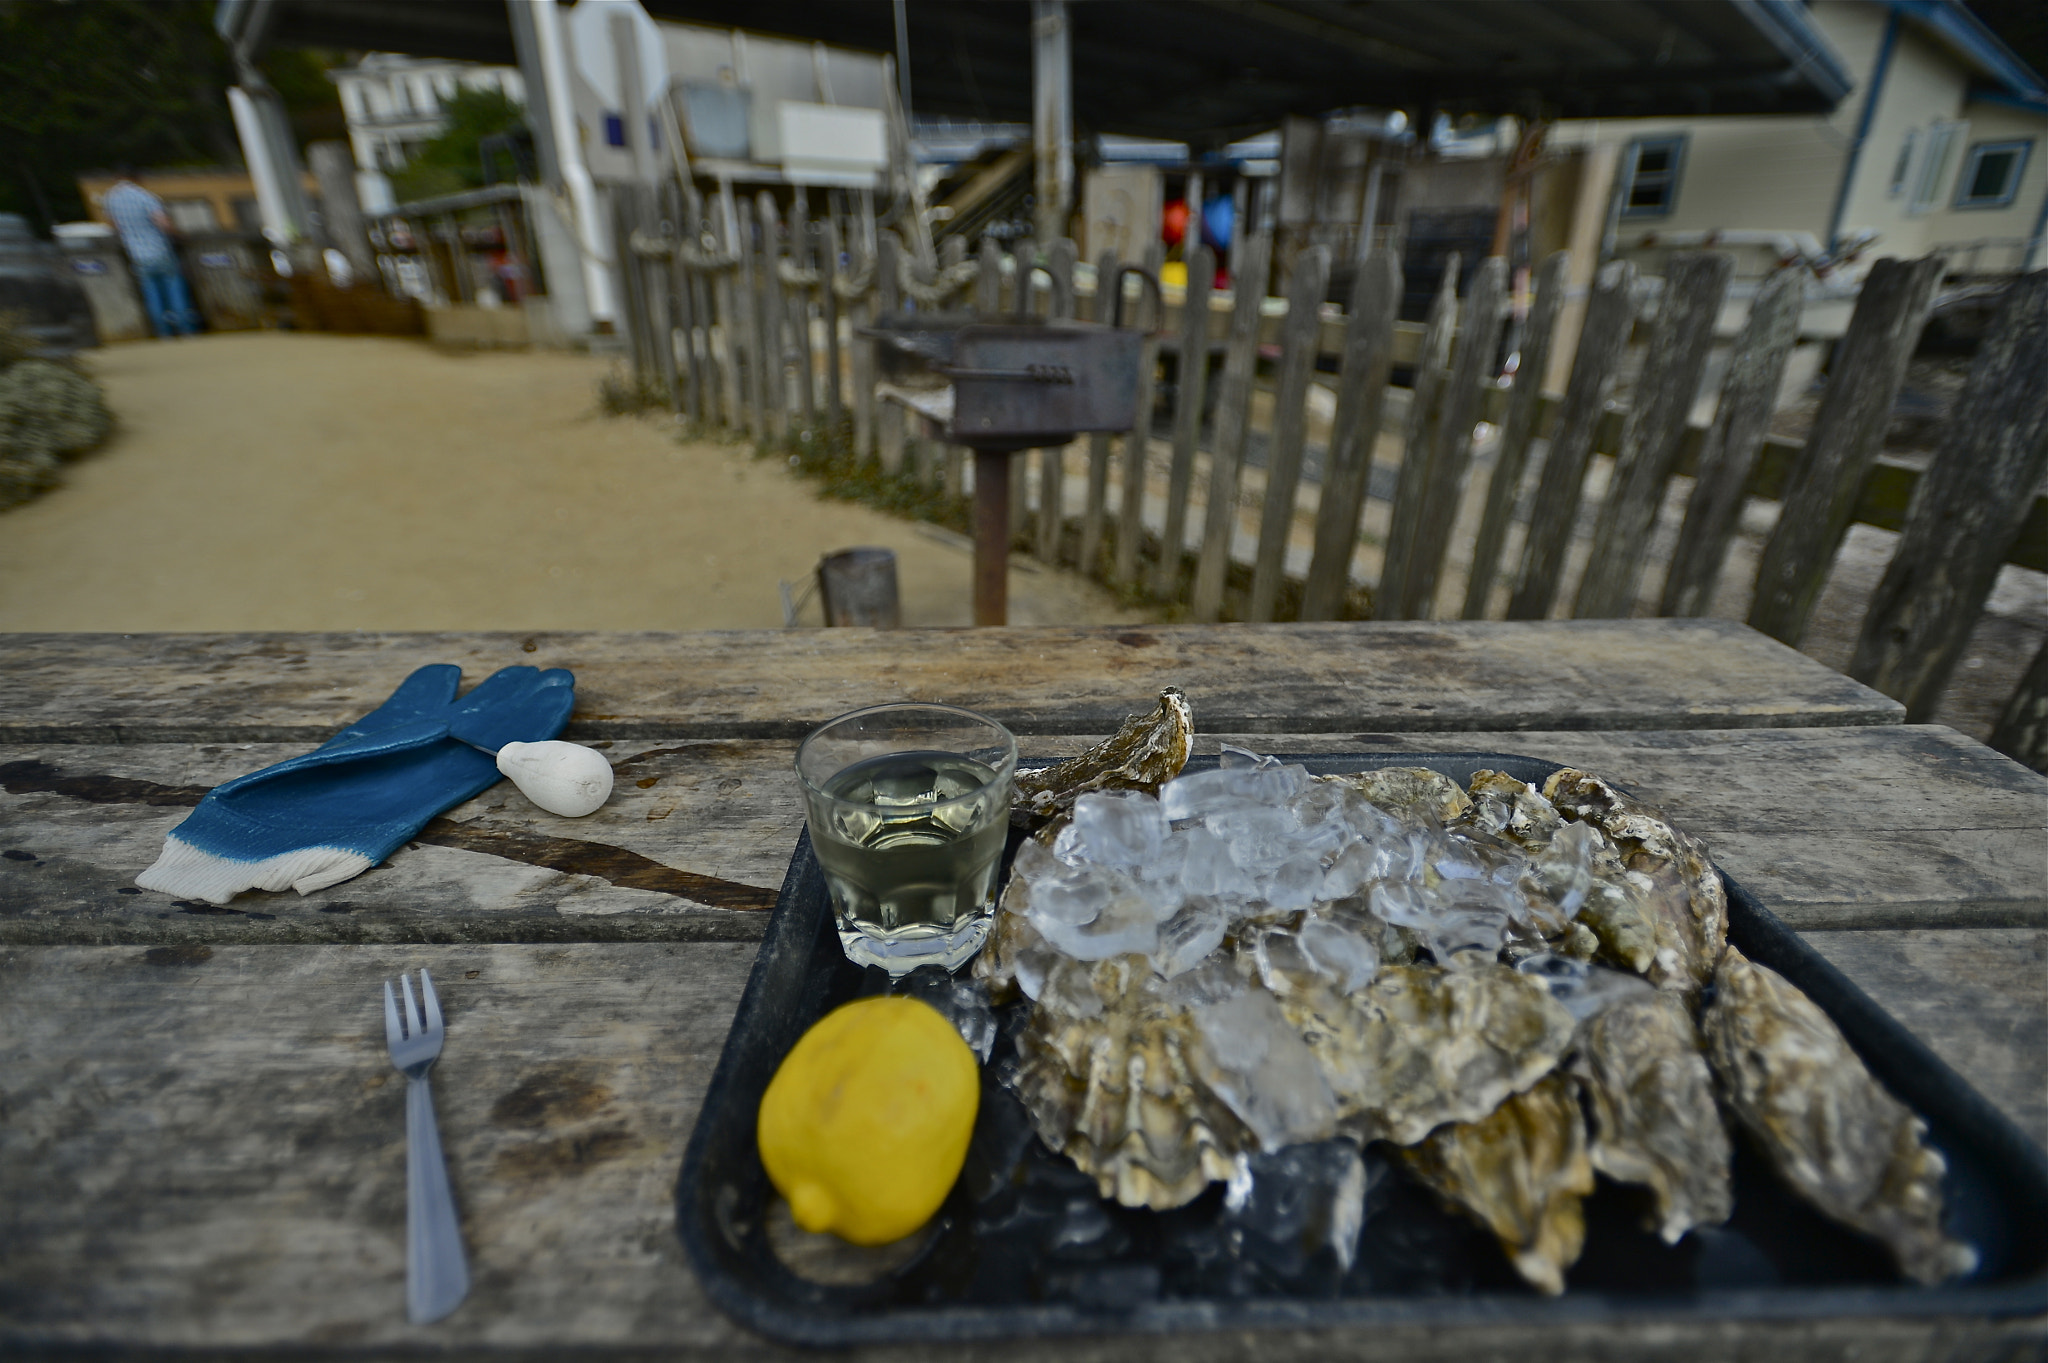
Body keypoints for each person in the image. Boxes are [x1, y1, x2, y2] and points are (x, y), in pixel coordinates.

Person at [102, 170, 199, 338]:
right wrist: (177, 234)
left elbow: (114, 226)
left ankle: (163, 331)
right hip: (158, 248)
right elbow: (162, 222)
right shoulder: (145, 196)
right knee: (174, 287)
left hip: (136, 253)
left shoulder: (110, 199)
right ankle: (186, 329)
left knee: (151, 292)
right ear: (136, 178)